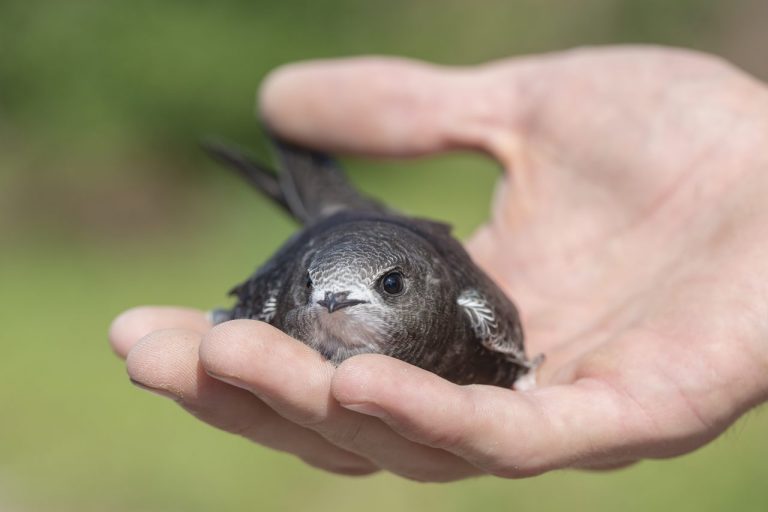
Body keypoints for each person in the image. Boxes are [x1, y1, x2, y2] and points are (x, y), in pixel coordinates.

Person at [109, 46, 768, 481]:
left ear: (421, 288)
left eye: (385, 289)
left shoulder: (467, 307)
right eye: (315, 293)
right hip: (336, 223)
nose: (327, 306)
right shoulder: (290, 296)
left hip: (364, 230)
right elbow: (314, 287)